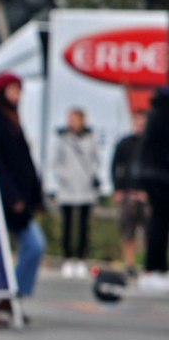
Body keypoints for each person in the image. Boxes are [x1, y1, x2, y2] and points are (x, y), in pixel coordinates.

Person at [0, 72, 45, 325]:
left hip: (18, 202)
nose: (17, 95)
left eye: (19, 90)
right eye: (12, 90)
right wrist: (12, 195)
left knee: (35, 246)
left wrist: (35, 196)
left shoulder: (12, 120)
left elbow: (25, 163)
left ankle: (10, 295)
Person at [46, 106, 103, 277]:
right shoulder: (62, 138)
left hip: (85, 188)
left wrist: (90, 175)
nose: (72, 122)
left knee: (84, 226)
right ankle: (68, 258)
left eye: (75, 119)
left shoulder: (91, 137)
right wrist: (65, 176)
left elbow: (96, 160)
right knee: (68, 225)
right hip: (68, 188)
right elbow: (55, 162)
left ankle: (81, 258)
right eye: (70, 119)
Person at [136, 86, 169, 292]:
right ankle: (154, 268)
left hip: (153, 175)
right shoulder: (163, 115)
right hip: (160, 176)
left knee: (158, 222)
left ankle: (155, 268)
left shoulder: (155, 113)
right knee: (159, 223)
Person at [111, 107, 149, 272]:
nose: (139, 125)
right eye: (137, 121)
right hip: (128, 192)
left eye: (142, 122)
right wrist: (118, 188)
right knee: (128, 230)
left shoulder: (154, 144)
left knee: (151, 231)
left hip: (148, 195)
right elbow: (114, 166)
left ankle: (150, 265)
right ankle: (130, 264)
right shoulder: (125, 143)